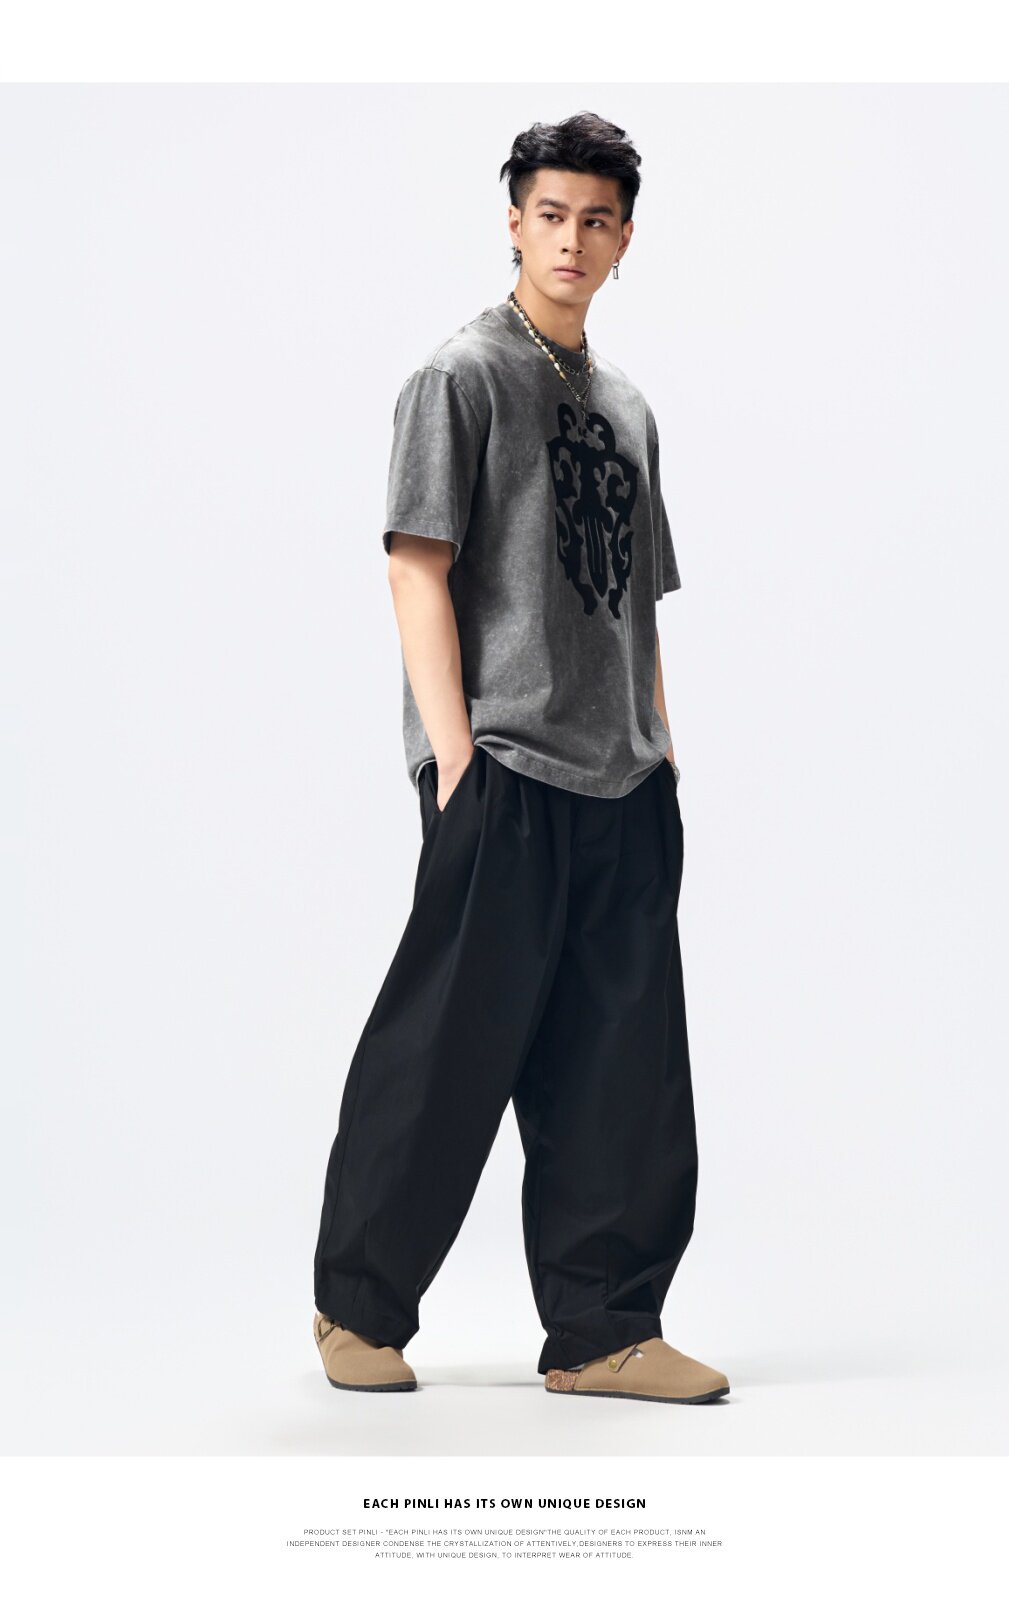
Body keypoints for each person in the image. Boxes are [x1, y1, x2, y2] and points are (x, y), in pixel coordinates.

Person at [312, 111, 729, 1406]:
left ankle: (604, 1330)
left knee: (621, 1067)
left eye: (596, 220)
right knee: (446, 1050)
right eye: (551, 215)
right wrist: (455, 764)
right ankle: (355, 1308)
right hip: (503, 767)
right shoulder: (461, 377)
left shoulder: (629, 407)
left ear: (625, 239)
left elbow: (636, 602)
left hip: (625, 781)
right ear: (513, 221)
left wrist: (662, 751)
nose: (571, 240)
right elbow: (415, 567)